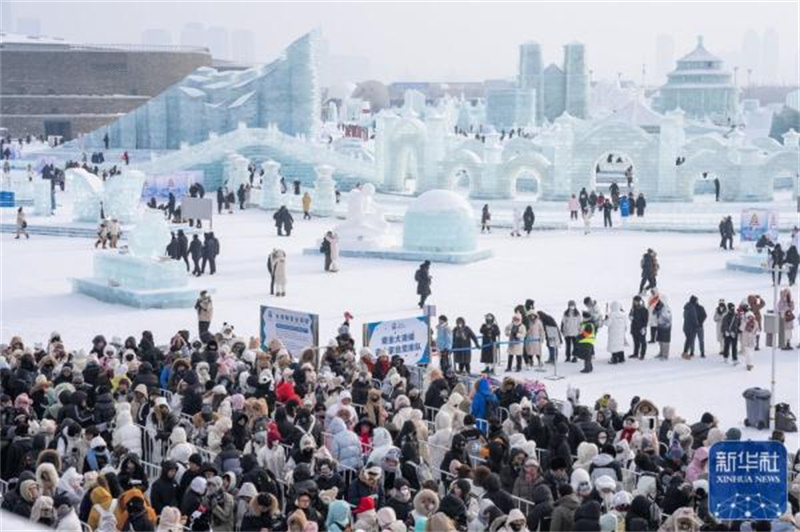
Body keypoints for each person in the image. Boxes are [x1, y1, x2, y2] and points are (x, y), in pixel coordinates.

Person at [739, 302, 760, 371]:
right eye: (749, 316)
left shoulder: (751, 322)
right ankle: (749, 364)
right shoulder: (750, 322)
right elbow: (741, 329)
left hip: (749, 340)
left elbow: (741, 329)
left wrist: (754, 332)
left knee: (749, 353)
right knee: (749, 353)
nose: (750, 318)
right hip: (749, 340)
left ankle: (749, 364)